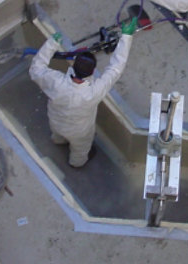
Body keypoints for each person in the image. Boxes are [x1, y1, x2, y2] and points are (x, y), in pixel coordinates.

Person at [29, 17, 137, 168]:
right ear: (92, 71)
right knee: (80, 149)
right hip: (80, 131)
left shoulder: (55, 81)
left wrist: (51, 44)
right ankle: (76, 163)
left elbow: (36, 69)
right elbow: (115, 68)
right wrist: (126, 37)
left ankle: (58, 140)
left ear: (73, 65)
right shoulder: (93, 92)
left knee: (58, 134)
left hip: (55, 120)